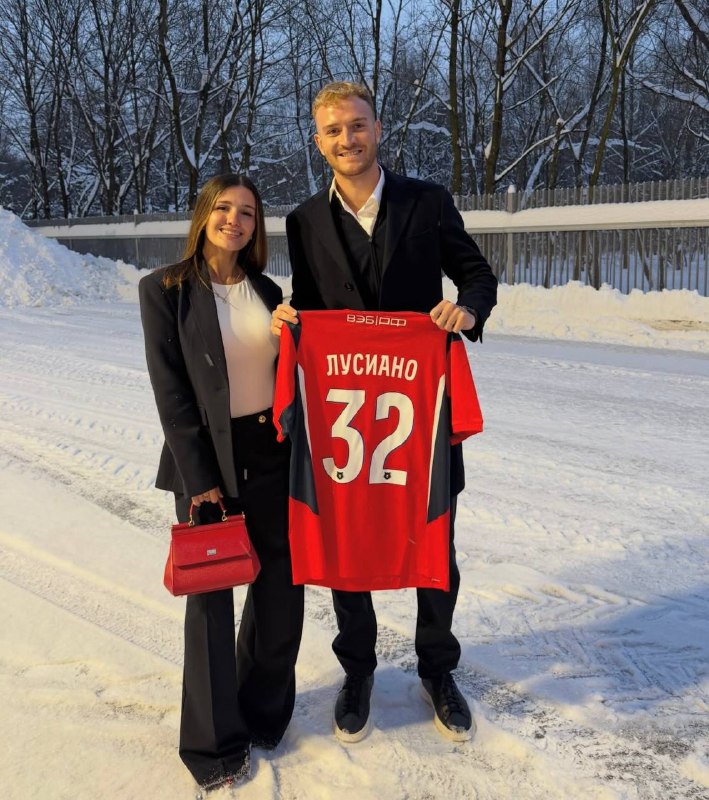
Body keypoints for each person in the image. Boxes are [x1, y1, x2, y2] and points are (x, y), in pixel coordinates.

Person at [271, 82, 497, 745]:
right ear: (318, 141)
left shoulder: (427, 201)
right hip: (345, 414)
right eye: (333, 130)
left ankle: (437, 668)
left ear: (378, 128)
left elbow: (477, 275)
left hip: (417, 407)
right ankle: (358, 670)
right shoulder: (303, 220)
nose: (347, 138)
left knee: (434, 539)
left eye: (357, 125)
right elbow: (311, 304)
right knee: (347, 542)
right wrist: (291, 321)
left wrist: (467, 309)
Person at [139, 174, 304, 794]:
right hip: (207, 461)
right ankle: (213, 745)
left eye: (248, 212)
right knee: (212, 604)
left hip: (272, 453)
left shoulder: (268, 290)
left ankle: (261, 712)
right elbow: (170, 392)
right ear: (204, 214)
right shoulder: (165, 289)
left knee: (280, 592)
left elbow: (285, 373)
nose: (236, 220)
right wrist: (200, 479)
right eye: (225, 208)